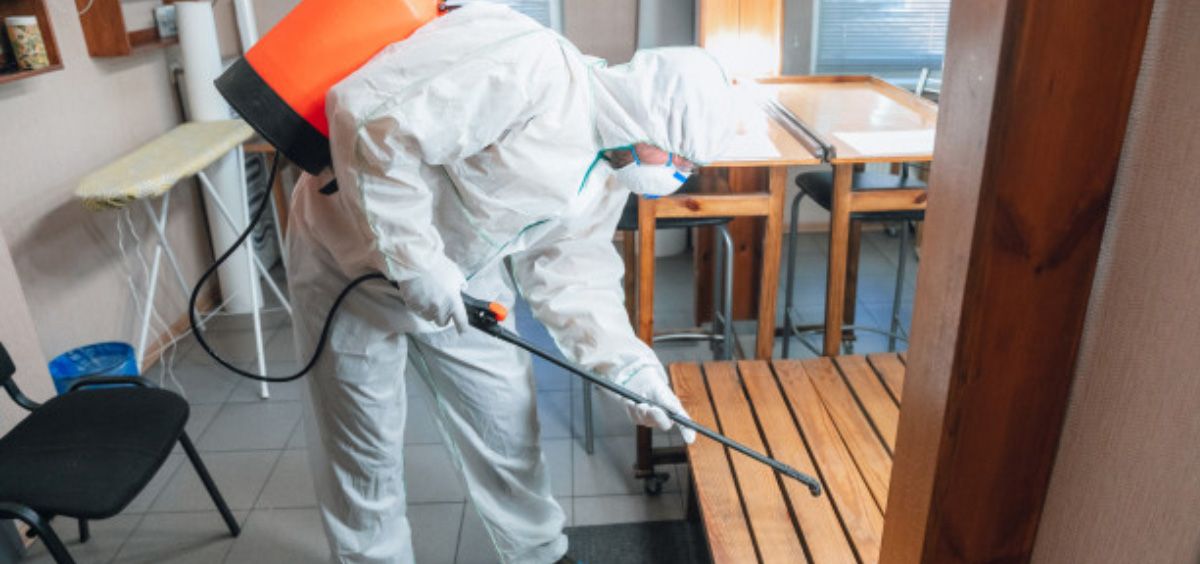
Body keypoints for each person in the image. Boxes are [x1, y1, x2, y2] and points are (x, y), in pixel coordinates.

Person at [286, 3, 733, 563]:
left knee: (507, 427)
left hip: (466, 285)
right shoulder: (530, 65)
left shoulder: (607, 172)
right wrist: (417, 263)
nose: (678, 176)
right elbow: (370, 122)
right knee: (362, 447)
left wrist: (628, 370)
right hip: (345, 260)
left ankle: (539, 554)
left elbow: (575, 276)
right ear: (654, 116)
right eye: (682, 161)